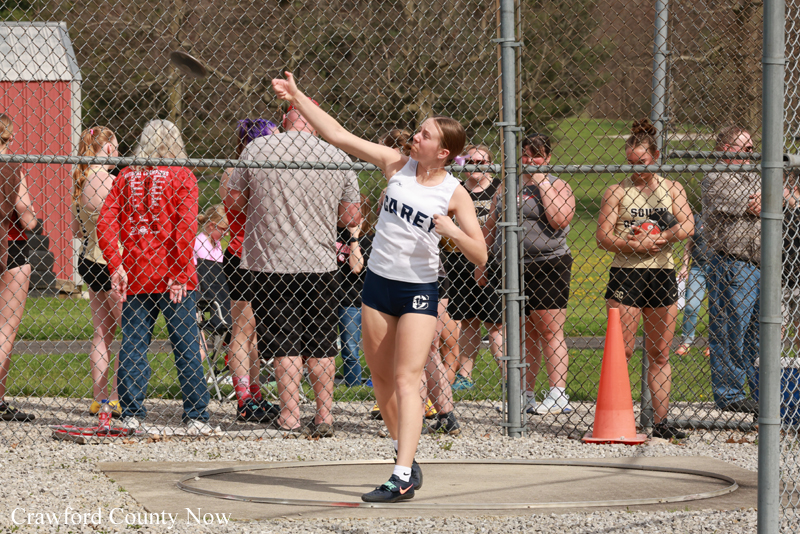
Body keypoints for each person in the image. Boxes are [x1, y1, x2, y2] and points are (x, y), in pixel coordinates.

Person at [271, 72, 487, 502]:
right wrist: (297, 96)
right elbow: (336, 134)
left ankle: (402, 475)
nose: (415, 136)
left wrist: (452, 232)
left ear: (442, 152)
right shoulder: (396, 165)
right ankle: (402, 454)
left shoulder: (453, 192)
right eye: (417, 130)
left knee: (408, 378)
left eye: (424, 135)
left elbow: (480, 254)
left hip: (419, 291)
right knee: (382, 380)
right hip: (379, 285)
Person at [225, 98, 361, 439]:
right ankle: (324, 415)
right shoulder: (337, 156)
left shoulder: (256, 151)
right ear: (314, 122)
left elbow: (234, 203)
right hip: (320, 263)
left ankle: (290, 415)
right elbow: (351, 218)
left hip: (271, 264)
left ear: (285, 120)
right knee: (322, 344)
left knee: (284, 343)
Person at [97, 119, 218, 435]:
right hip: (173, 276)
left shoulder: (125, 176)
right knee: (187, 345)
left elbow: (105, 224)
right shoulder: (183, 177)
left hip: (137, 272)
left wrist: (116, 264)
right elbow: (185, 228)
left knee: (134, 344)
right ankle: (195, 416)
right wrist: (179, 272)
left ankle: (132, 413)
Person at [596, 118, 694, 439]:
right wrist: (631, 243)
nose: (636, 169)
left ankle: (661, 423)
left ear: (655, 155)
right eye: (630, 163)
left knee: (660, 352)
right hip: (627, 274)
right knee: (621, 351)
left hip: (662, 273)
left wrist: (660, 238)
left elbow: (688, 226)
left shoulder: (672, 188)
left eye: (642, 162)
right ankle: (618, 418)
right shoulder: (617, 191)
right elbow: (603, 237)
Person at [702, 125, 797, 414]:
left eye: (751, 148)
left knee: (759, 333)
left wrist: (772, 196)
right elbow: (758, 203)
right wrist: (772, 196)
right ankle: (729, 394)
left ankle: (758, 392)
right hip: (732, 263)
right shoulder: (715, 175)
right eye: (742, 148)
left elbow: (778, 198)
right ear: (723, 149)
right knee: (731, 330)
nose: (749, 153)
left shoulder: (754, 174)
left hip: (763, 265)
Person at [488, 134, 575, 415]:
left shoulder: (559, 186)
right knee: (524, 333)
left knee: (550, 330)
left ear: (548, 158)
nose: (529, 160)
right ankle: (525, 394)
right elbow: (491, 223)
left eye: (536, 155)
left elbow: (559, 219)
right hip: (511, 267)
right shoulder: (506, 186)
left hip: (548, 264)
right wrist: (482, 260)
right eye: (525, 155)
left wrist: (541, 182)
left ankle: (558, 394)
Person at [219, 119, 279, 423]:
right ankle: (243, 398)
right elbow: (241, 208)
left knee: (254, 333)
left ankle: (255, 393)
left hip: (266, 258)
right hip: (242, 256)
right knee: (242, 330)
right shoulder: (234, 171)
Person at [70, 127, 123, 418]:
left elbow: (75, 229)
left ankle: (98, 397)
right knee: (129, 330)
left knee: (102, 332)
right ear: (108, 149)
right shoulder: (112, 182)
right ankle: (115, 397)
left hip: (89, 260)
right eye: (116, 146)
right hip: (112, 262)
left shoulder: (81, 181)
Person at [446, 144, 504, 391]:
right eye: (470, 161)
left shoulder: (498, 187)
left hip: (491, 261)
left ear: (490, 163)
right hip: (459, 261)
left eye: (481, 162)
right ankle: (465, 375)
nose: (475, 166)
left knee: (494, 323)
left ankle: (509, 377)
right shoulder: (455, 188)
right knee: (468, 321)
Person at [0, 113, 37, 422]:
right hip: (11, 247)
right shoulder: (11, 166)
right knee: (5, 329)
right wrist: (34, 218)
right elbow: (25, 215)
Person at [335, 196, 373, 387]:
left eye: (353, 211)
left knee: (352, 348)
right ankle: (352, 384)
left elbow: (357, 267)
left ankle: (355, 386)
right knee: (343, 350)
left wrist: (354, 237)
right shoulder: (331, 234)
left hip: (355, 300)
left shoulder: (369, 239)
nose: (346, 215)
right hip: (332, 298)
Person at [675, 211, 711, 357]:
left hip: (719, 268)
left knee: (717, 308)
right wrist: (685, 266)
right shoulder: (697, 218)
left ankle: (713, 343)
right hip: (697, 267)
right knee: (691, 306)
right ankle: (686, 342)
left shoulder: (724, 215)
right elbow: (689, 244)